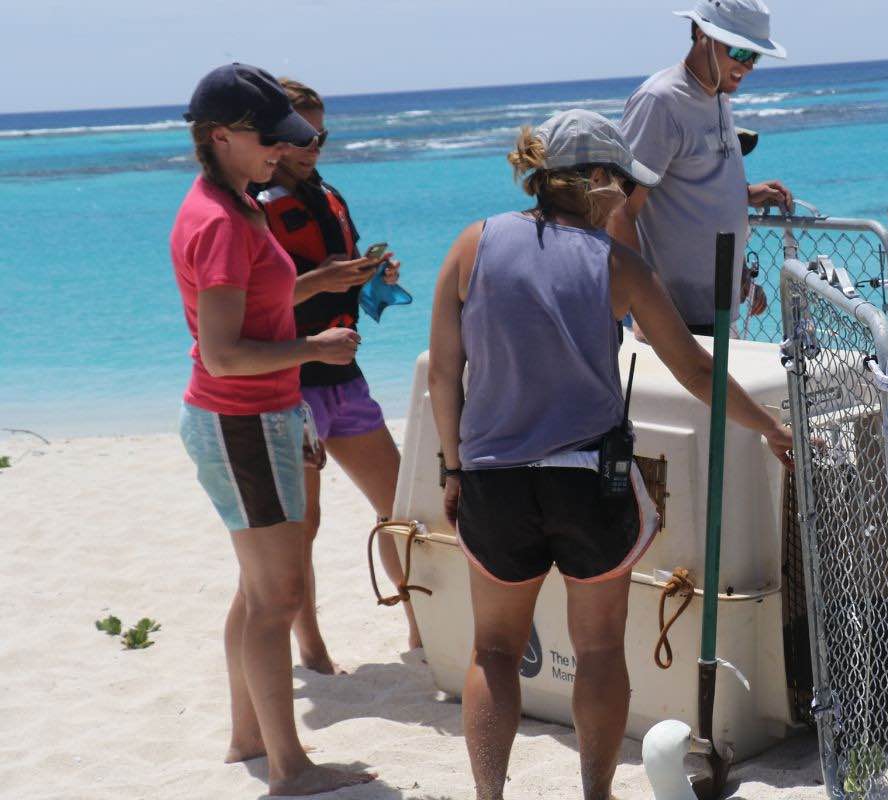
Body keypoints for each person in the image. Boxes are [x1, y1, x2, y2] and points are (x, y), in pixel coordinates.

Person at [429, 109, 793, 800]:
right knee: (598, 651)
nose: (631, 199)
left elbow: (447, 374)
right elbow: (695, 373)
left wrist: (452, 467)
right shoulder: (618, 265)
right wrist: (767, 427)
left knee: (494, 651)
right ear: (596, 179)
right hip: (588, 484)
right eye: (625, 184)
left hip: (493, 483)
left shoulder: (471, 245)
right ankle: (597, 796)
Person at [170, 63, 375, 795]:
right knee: (277, 597)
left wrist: (322, 285)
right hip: (242, 421)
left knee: (259, 592)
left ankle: (247, 738)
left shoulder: (235, 202)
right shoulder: (222, 221)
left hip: (256, 418)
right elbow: (224, 353)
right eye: (269, 139)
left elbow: (262, 298)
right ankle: (289, 767)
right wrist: (311, 350)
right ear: (219, 137)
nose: (280, 152)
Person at [255, 78, 422, 670]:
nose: (314, 145)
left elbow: (336, 279)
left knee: (402, 507)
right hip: (288, 385)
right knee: (304, 524)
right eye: (302, 135)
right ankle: (312, 646)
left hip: (344, 381)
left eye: (320, 134)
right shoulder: (252, 208)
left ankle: (420, 627)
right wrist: (322, 280)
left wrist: (370, 274)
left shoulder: (329, 195)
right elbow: (247, 309)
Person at [610, 0, 794, 338]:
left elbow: (689, 180)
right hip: (674, 321)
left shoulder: (719, 95)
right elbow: (619, 210)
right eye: (740, 51)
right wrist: (645, 306)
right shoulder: (661, 101)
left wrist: (745, 196)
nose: (748, 65)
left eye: (755, 55)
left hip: (718, 312)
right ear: (701, 34)